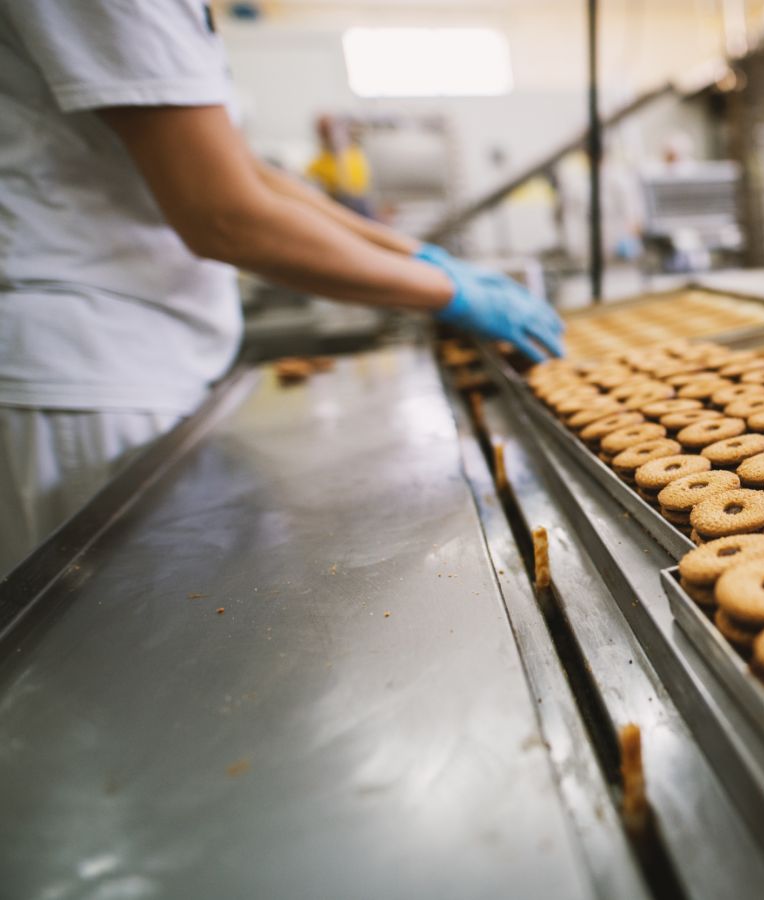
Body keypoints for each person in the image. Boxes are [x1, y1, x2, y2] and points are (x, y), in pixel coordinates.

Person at [0, 2, 564, 575]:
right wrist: (446, 291)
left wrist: (417, 255)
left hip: (141, 351)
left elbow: (245, 174)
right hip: (93, 363)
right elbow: (223, 215)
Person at [306, 114, 376, 218]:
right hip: (338, 207)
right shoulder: (317, 164)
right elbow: (343, 190)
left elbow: (356, 189)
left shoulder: (355, 154)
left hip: (359, 205)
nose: (331, 135)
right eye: (327, 131)